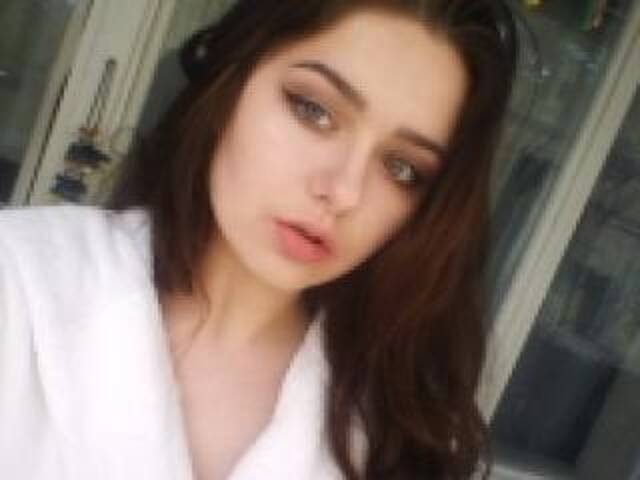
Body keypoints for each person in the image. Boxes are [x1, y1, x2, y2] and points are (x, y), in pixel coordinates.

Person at [0, 0, 517, 478]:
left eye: (402, 168)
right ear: (232, 80)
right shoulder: (21, 280)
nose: (343, 191)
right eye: (314, 110)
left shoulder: (397, 428)